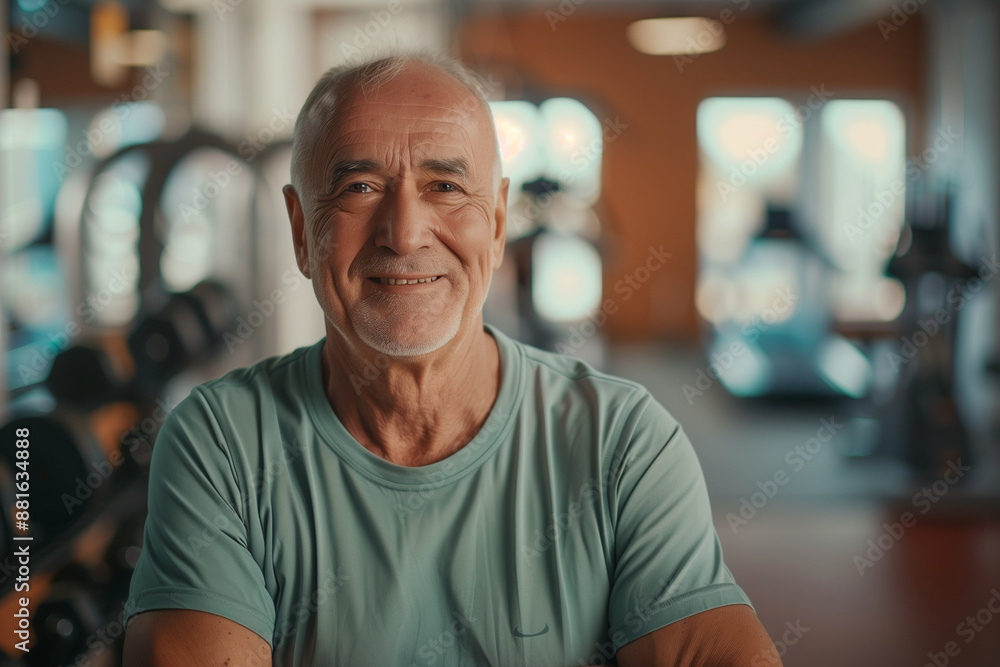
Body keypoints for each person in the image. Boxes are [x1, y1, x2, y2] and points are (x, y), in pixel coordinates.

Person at [122, 52, 779, 666]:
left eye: (444, 185)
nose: (405, 232)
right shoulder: (220, 441)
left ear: (496, 225)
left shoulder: (623, 440)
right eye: (358, 186)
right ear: (301, 229)